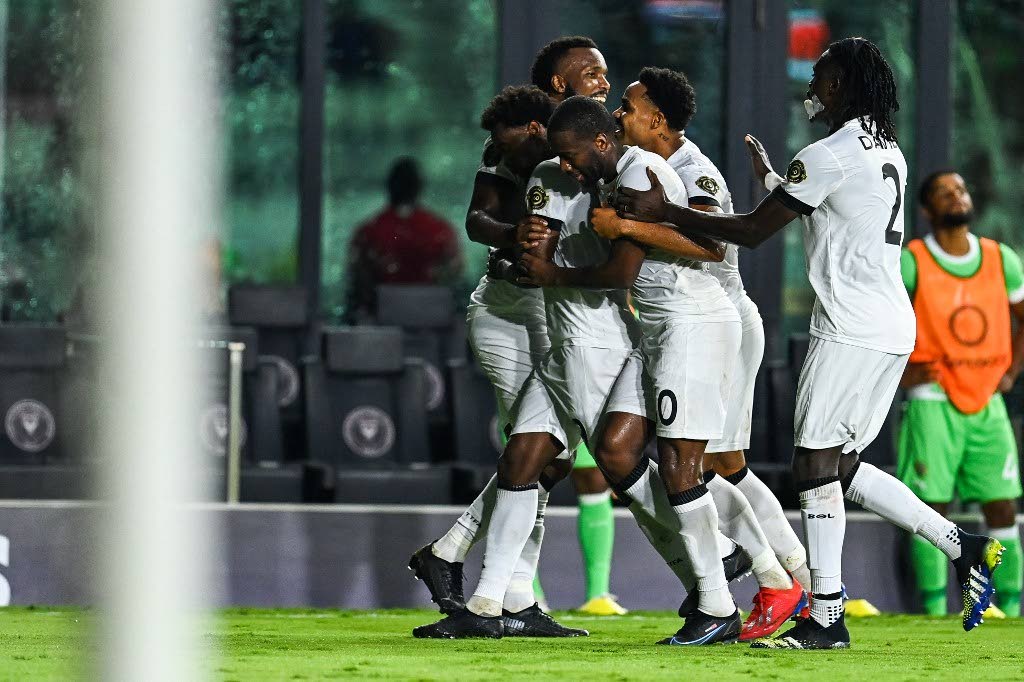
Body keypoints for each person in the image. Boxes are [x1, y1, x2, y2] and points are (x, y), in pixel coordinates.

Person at [599, 37, 1003, 649]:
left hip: (848, 325)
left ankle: (826, 616)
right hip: (891, 322)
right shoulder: (884, 147)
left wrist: (664, 212)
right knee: (840, 467)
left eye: (821, 75)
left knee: (814, 463)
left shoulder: (826, 153)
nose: (812, 86)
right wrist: (774, 177)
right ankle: (961, 544)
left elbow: (753, 233)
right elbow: (836, 209)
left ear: (842, 85)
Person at [519, 90, 803, 644]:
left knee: (686, 465)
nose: (565, 165)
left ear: (602, 141)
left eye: (570, 154)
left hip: (692, 324)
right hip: (656, 331)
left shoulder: (644, 171)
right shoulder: (613, 174)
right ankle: (758, 568)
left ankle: (721, 602)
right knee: (615, 451)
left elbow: (689, 252)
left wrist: (559, 272)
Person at [898, 170, 1023, 618]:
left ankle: (1009, 608)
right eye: (943, 193)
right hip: (932, 398)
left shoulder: (999, 258)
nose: (956, 196)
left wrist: (1011, 372)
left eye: (961, 188)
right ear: (927, 210)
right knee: (932, 506)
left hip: (987, 399)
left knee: (1003, 504)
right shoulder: (912, 259)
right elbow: (883, 318)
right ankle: (935, 612)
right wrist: (901, 373)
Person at [345, 157, 462, 322]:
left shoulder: (369, 231)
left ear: (389, 187)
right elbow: (453, 277)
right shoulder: (440, 230)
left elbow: (358, 283)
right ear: (419, 188)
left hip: (381, 324)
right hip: (432, 324)